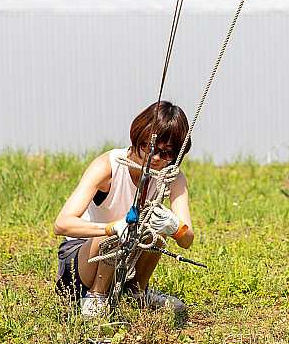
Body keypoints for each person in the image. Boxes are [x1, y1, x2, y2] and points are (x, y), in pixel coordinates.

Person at [53, 101, 194, 317]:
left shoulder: (172, 177)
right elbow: (62, 224)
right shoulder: (109, 165)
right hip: (81, 261)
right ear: (137, 136)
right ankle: (95, 297)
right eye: (150, 147)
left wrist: (175, 227)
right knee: (115, 237)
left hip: (124, 258)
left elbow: (187, 240)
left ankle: (137, 293)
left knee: (155, 237)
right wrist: (110, 229)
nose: (156, 158)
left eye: (167, 153)